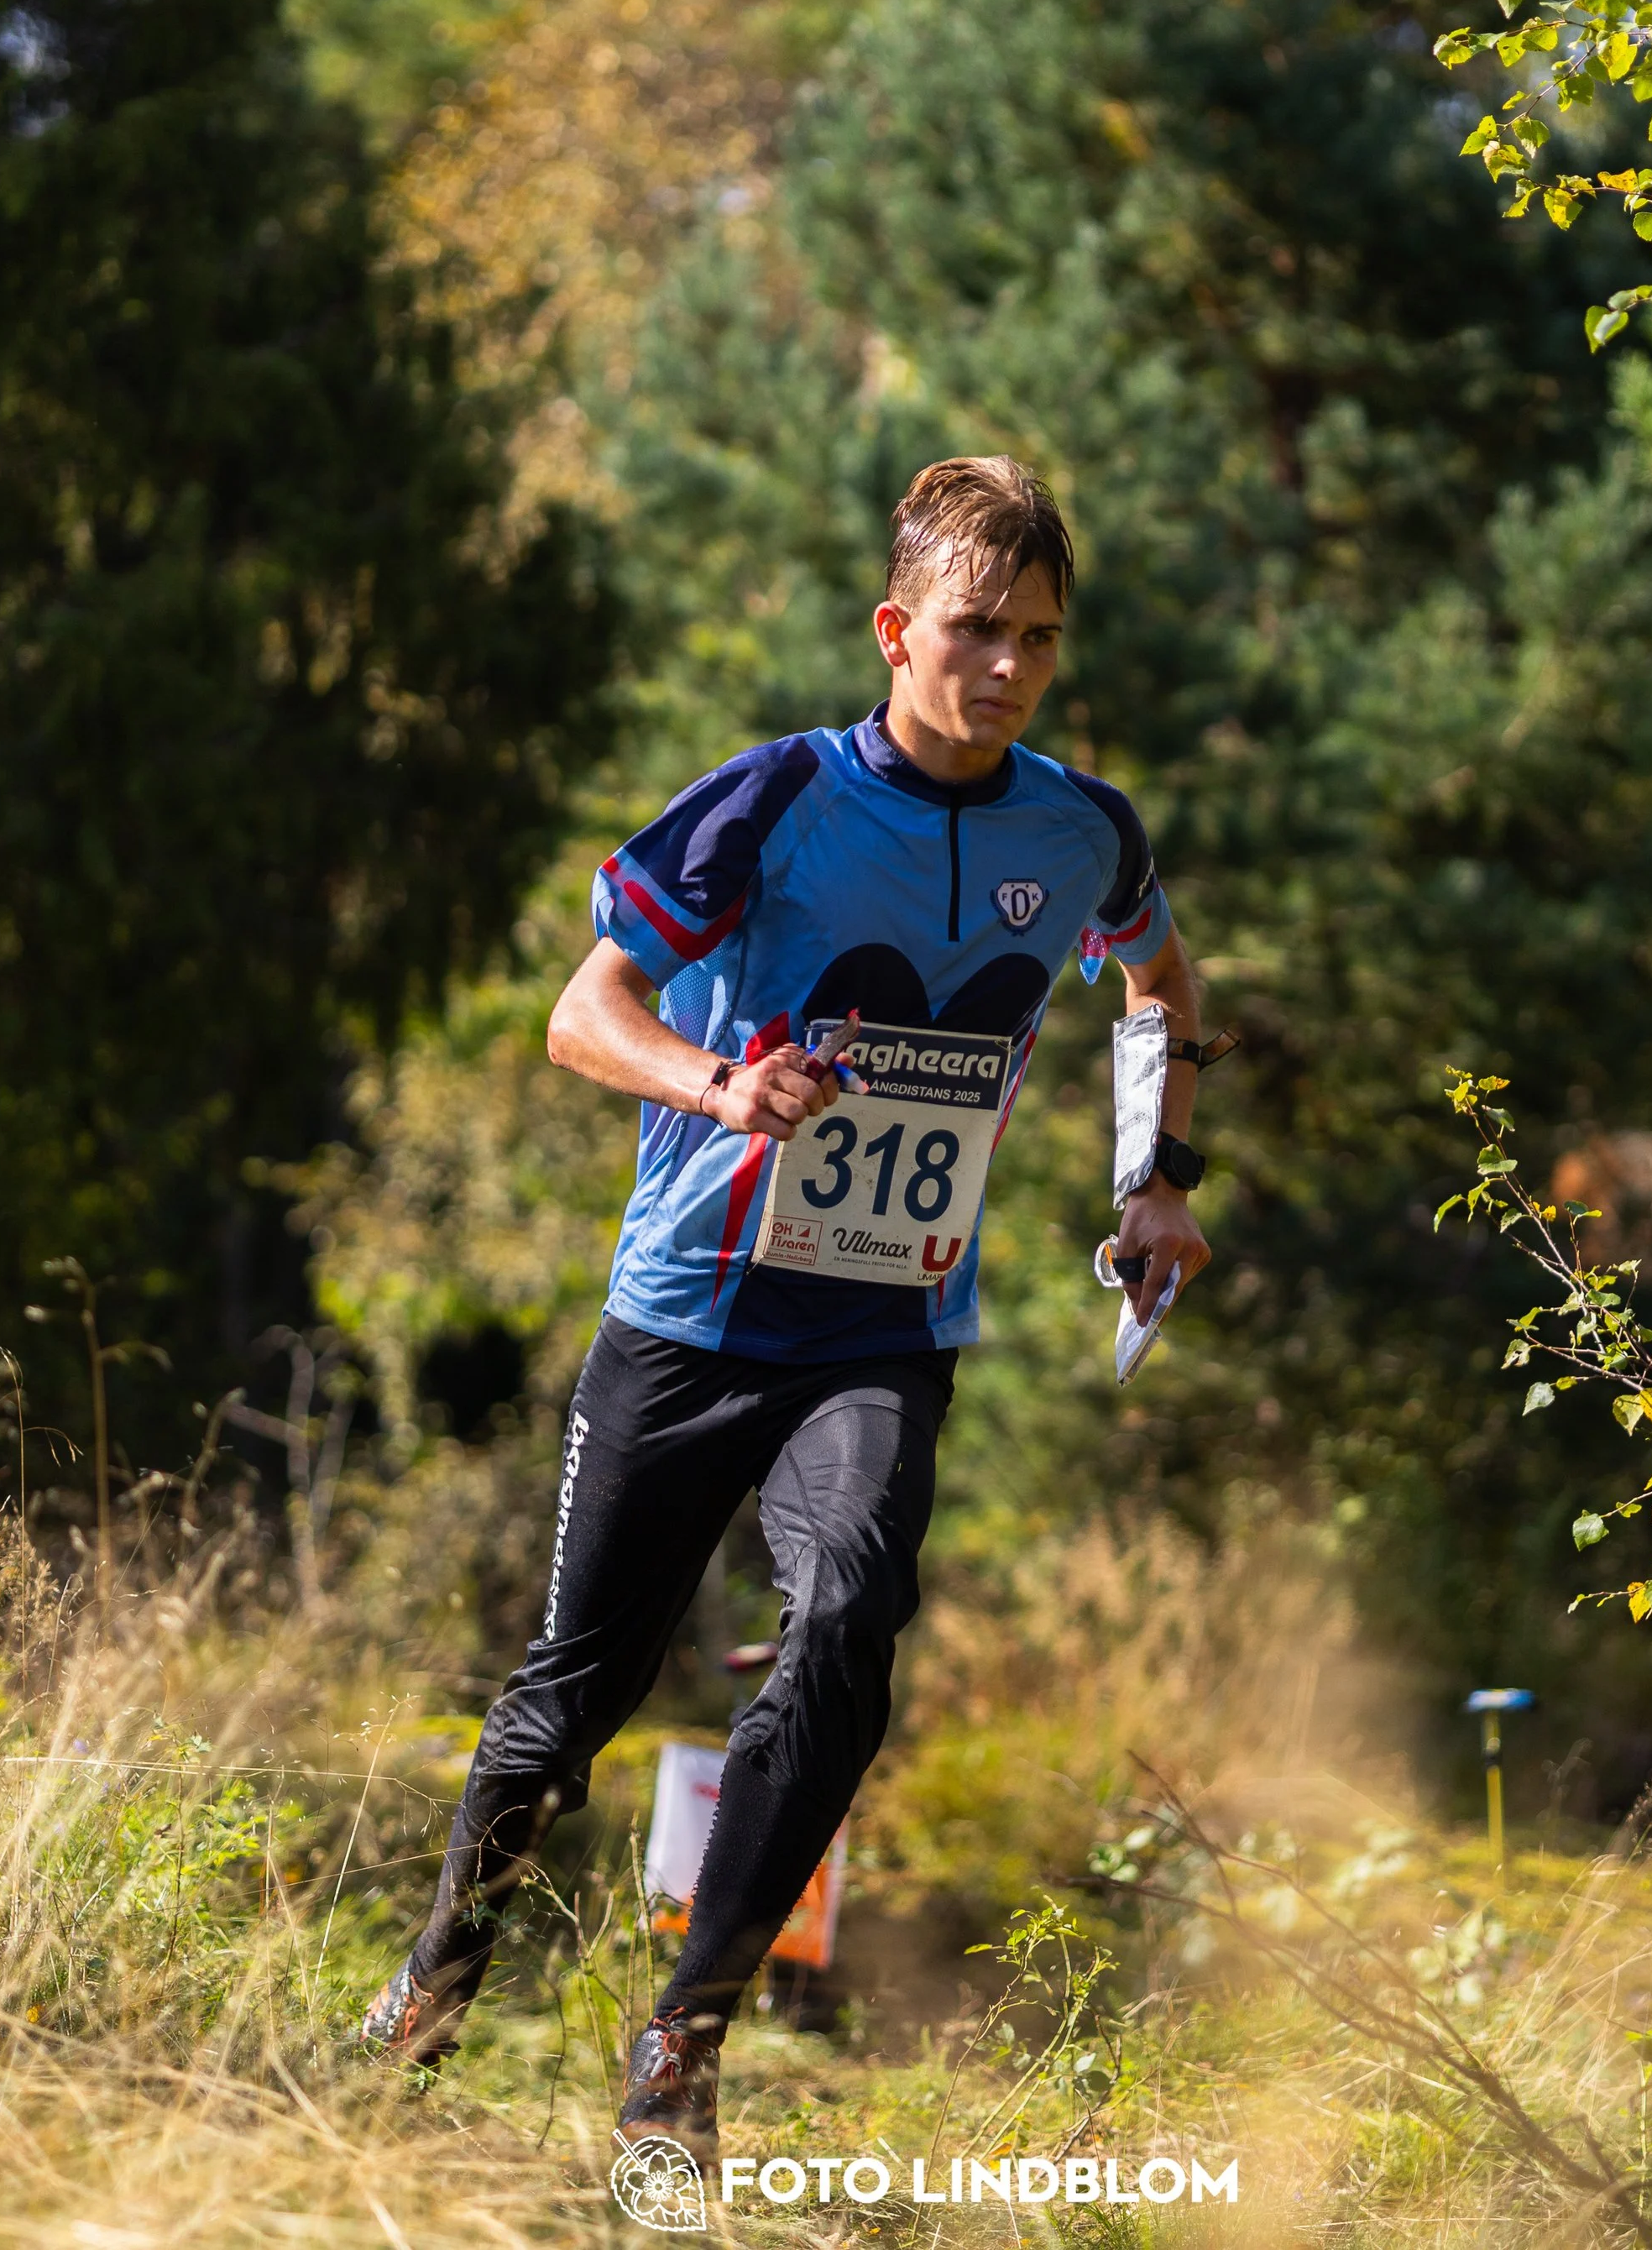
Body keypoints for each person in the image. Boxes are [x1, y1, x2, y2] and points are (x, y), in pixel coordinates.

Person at [361, 456, 1215, 2158]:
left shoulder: (1081, 824)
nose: (1009, 668)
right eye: (976, 629)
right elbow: (578, 1014)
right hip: (689, 1309)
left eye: (1037, 638)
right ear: (897, 630)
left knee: (847, 1620)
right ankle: (436, 1982)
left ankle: (681, 2050)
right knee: (569, 1697)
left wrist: (1157, 1169)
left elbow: (1156, 974)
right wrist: (710, 1081)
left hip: (879, 1331)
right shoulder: (770, 799)